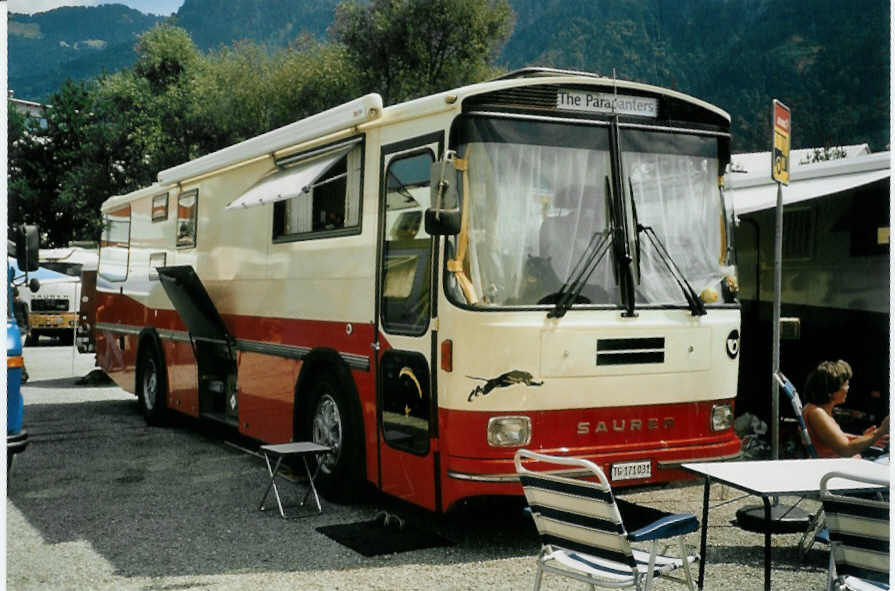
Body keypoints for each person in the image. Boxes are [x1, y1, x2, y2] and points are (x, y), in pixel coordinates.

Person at [802, 360, 888, 458]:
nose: (847, 388)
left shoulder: (819, 411)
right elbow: (846, 449)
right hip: (841, 469)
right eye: (845, 384)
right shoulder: (817, 413)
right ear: (831, 390)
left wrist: (866, 438)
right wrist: (880, 431)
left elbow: (837, 438)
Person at [12, 287, 30, 382]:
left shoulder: (22, 303)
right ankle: (23, 374)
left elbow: (27, 316)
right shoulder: (12, 303)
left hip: (21, 330)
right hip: (19, 329)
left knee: (17, 353)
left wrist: (28, 329)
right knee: (17, 353)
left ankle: (23, 374)